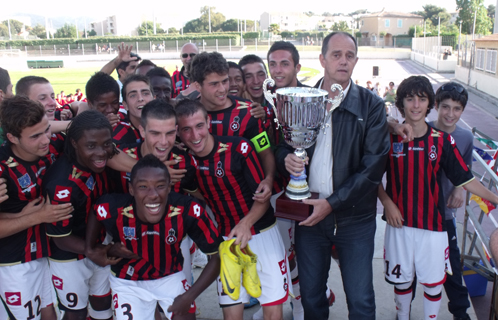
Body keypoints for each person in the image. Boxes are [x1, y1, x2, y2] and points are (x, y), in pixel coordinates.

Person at [276, 31, 390, 319]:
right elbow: (281, 146)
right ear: (322, 59)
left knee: (361, 300)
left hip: (354, 220)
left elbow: (373, 168)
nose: (343, 61)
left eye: (349, 56)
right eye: (336, 55)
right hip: (309, 218)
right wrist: (286, 158)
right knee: (312, 298)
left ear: (355, 61)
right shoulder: (299, 98)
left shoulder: (372, 105)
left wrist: (332, 204)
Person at [378, 75, 498, 320]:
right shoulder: (389, 138)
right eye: (409, 99)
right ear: (401, 104)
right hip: (399, 225)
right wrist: (387, 203)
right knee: (402, 283)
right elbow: (371, 178)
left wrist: (496, 197)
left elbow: (465, 179)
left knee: (433, 284)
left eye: (421, 99)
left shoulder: (443, 142)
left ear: (429, 104)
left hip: (433, 228)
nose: (415, 105)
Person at [176, 99, 290, 320]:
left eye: (199, 126)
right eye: (186, 130)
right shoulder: (185, 163)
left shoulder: (239, 147)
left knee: (273, 312)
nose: (195, 135)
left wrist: (245, 223)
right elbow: (197, 193)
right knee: (231, 314)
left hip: (263, 234)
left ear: (208, 122)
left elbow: (263, 197)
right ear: (178, 132)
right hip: (227, 240)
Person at [85, 154, 223, 320]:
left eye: (160, 186)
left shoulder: (187, 210)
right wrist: (91, 248)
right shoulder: (113, 208)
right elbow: (97, 209)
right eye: (143, 186)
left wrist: (189, 295)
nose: (153, 194)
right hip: (128, 282)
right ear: (131, 189)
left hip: (170, 277)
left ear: (169, 187)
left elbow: (217, 255)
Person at [0, 96, 73, 320]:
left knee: (50, 313)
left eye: (47, 130)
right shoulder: (3, 168)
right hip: (14, 263)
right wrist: (38, 216)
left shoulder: (53, 146)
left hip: (45, 255)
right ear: (12, 137)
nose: (45, 140)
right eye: (35, 136)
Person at [44, 110, 119, 320]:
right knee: (75, 311)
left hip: (98, 245)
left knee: (103, 300)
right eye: (91, 146)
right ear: (75, 143)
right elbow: (60, 238)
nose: (102, 152)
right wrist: (94, 251)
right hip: (69, 257)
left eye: (107, 144)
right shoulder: (62, 184)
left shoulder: (101, 160)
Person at [189, 51, 274, 204]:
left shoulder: (248, 112)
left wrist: (268, 179)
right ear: (197, 85)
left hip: (247, 203)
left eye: (224, 81)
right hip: (203, 204)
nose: (222, 89)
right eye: (214, 84)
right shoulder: (187, 114)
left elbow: (265, 153)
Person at [428, 82, 473, 320]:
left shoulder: (465, 137)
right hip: (418, 214)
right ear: (436, 106)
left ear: (462, 111)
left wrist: (459, 189)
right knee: (412, 269)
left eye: (457, 109)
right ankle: (403, 308)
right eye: (445, 106)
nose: (450, 114)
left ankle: (460, 312)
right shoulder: (421, 130)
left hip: (445, 215)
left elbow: (466, 172)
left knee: (453, 267)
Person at [113, 74, 154, 146]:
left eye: (145, 93)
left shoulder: (167, 125)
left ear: (154, 99)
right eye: (133, 95)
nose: (140, 98)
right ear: (125, 105)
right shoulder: (120, 132)